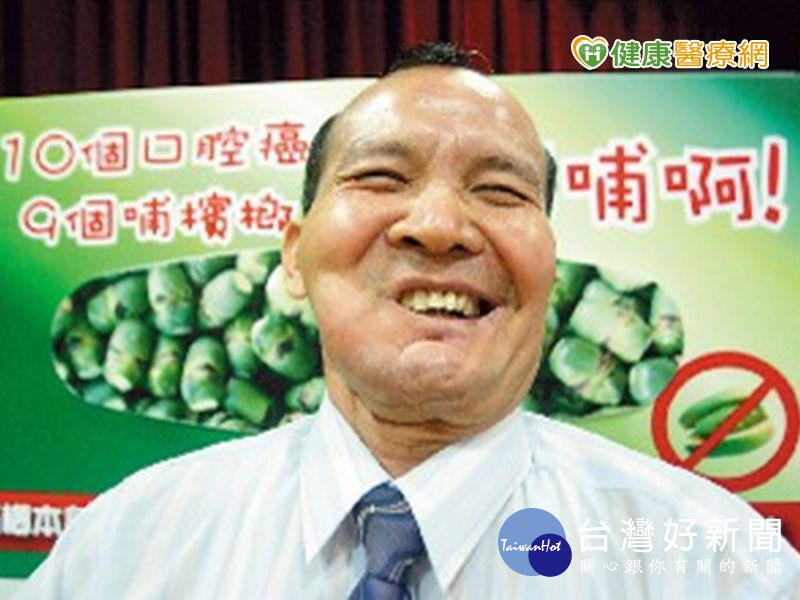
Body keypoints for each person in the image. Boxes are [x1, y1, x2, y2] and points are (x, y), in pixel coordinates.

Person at [17, 42, 800, 599]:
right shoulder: (128, 547)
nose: (438, 226)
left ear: (551, 267)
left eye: (500, 191)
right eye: (381, 177)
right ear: (295, 255)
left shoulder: (718, 565)